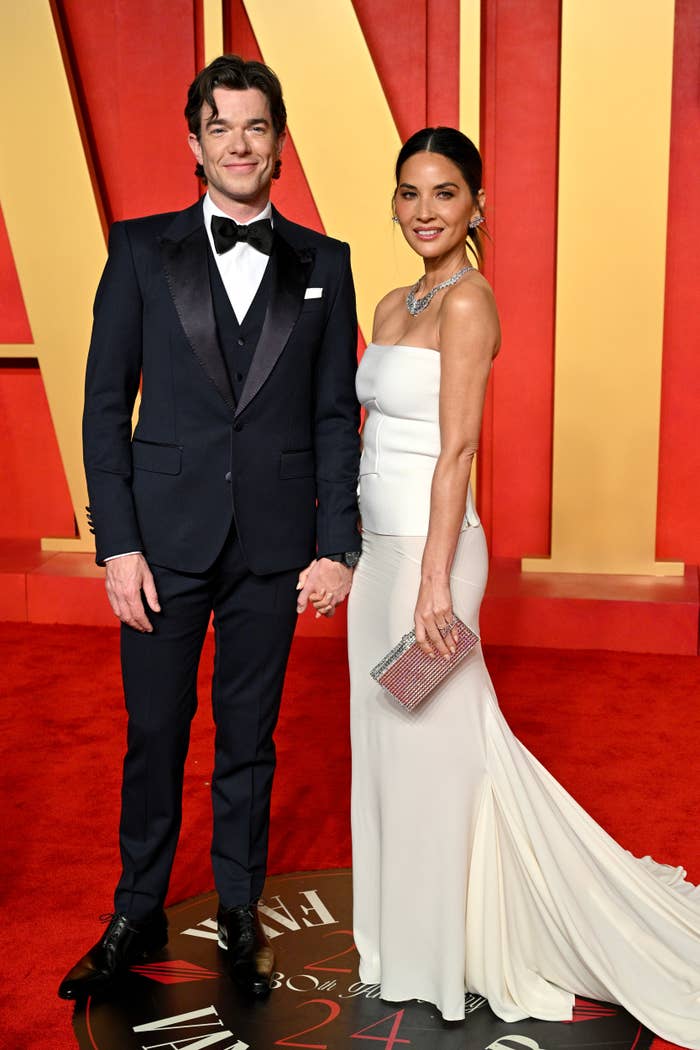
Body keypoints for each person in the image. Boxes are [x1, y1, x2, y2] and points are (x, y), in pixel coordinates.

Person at [338, 126, 700, 1047]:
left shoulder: (470, 305)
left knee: (440, 749)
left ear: (476, 206)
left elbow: (456, 448)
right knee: (385, 751)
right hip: (380, 552)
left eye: (444, 194)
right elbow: (370, 442)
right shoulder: (386, 308)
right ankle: (398, 942)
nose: (424, 211)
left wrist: (432, 587)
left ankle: (450, 947)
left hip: (434, 557)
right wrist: (342, 551)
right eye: (410, 193)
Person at [58, 54, 361, 1002]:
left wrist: (337, 543)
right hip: (160, 544)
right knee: (154, 732)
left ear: (279, 143)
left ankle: (237, 907)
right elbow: (105, 405)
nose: (239, 142)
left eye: (256, 126)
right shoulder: (141, 250)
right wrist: (117, 544)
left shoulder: (328, 261)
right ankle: (136, 907)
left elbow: (330, 417)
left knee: (248, 736)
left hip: (275, 547)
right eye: (221, 126)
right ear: (194, 143)